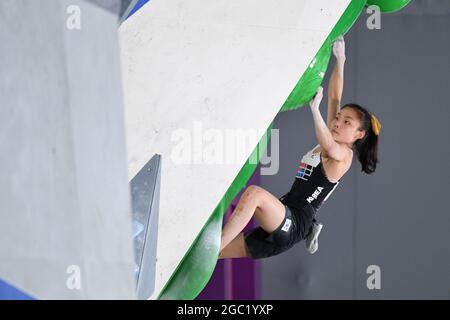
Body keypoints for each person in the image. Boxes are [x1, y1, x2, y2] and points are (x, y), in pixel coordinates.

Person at [218, 36, 381, 259]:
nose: (338, 122)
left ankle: (214, 245)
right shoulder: (333, 133)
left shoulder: (344, 154)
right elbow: (335, 96)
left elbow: (328, 146)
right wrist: (341, 59)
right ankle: (211, 250)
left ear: (359, 135)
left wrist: (315, 111)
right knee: (210, 259)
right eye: (339, 118)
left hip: (293, 222)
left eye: (347, 122)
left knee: (254, 194)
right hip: (284, 213)